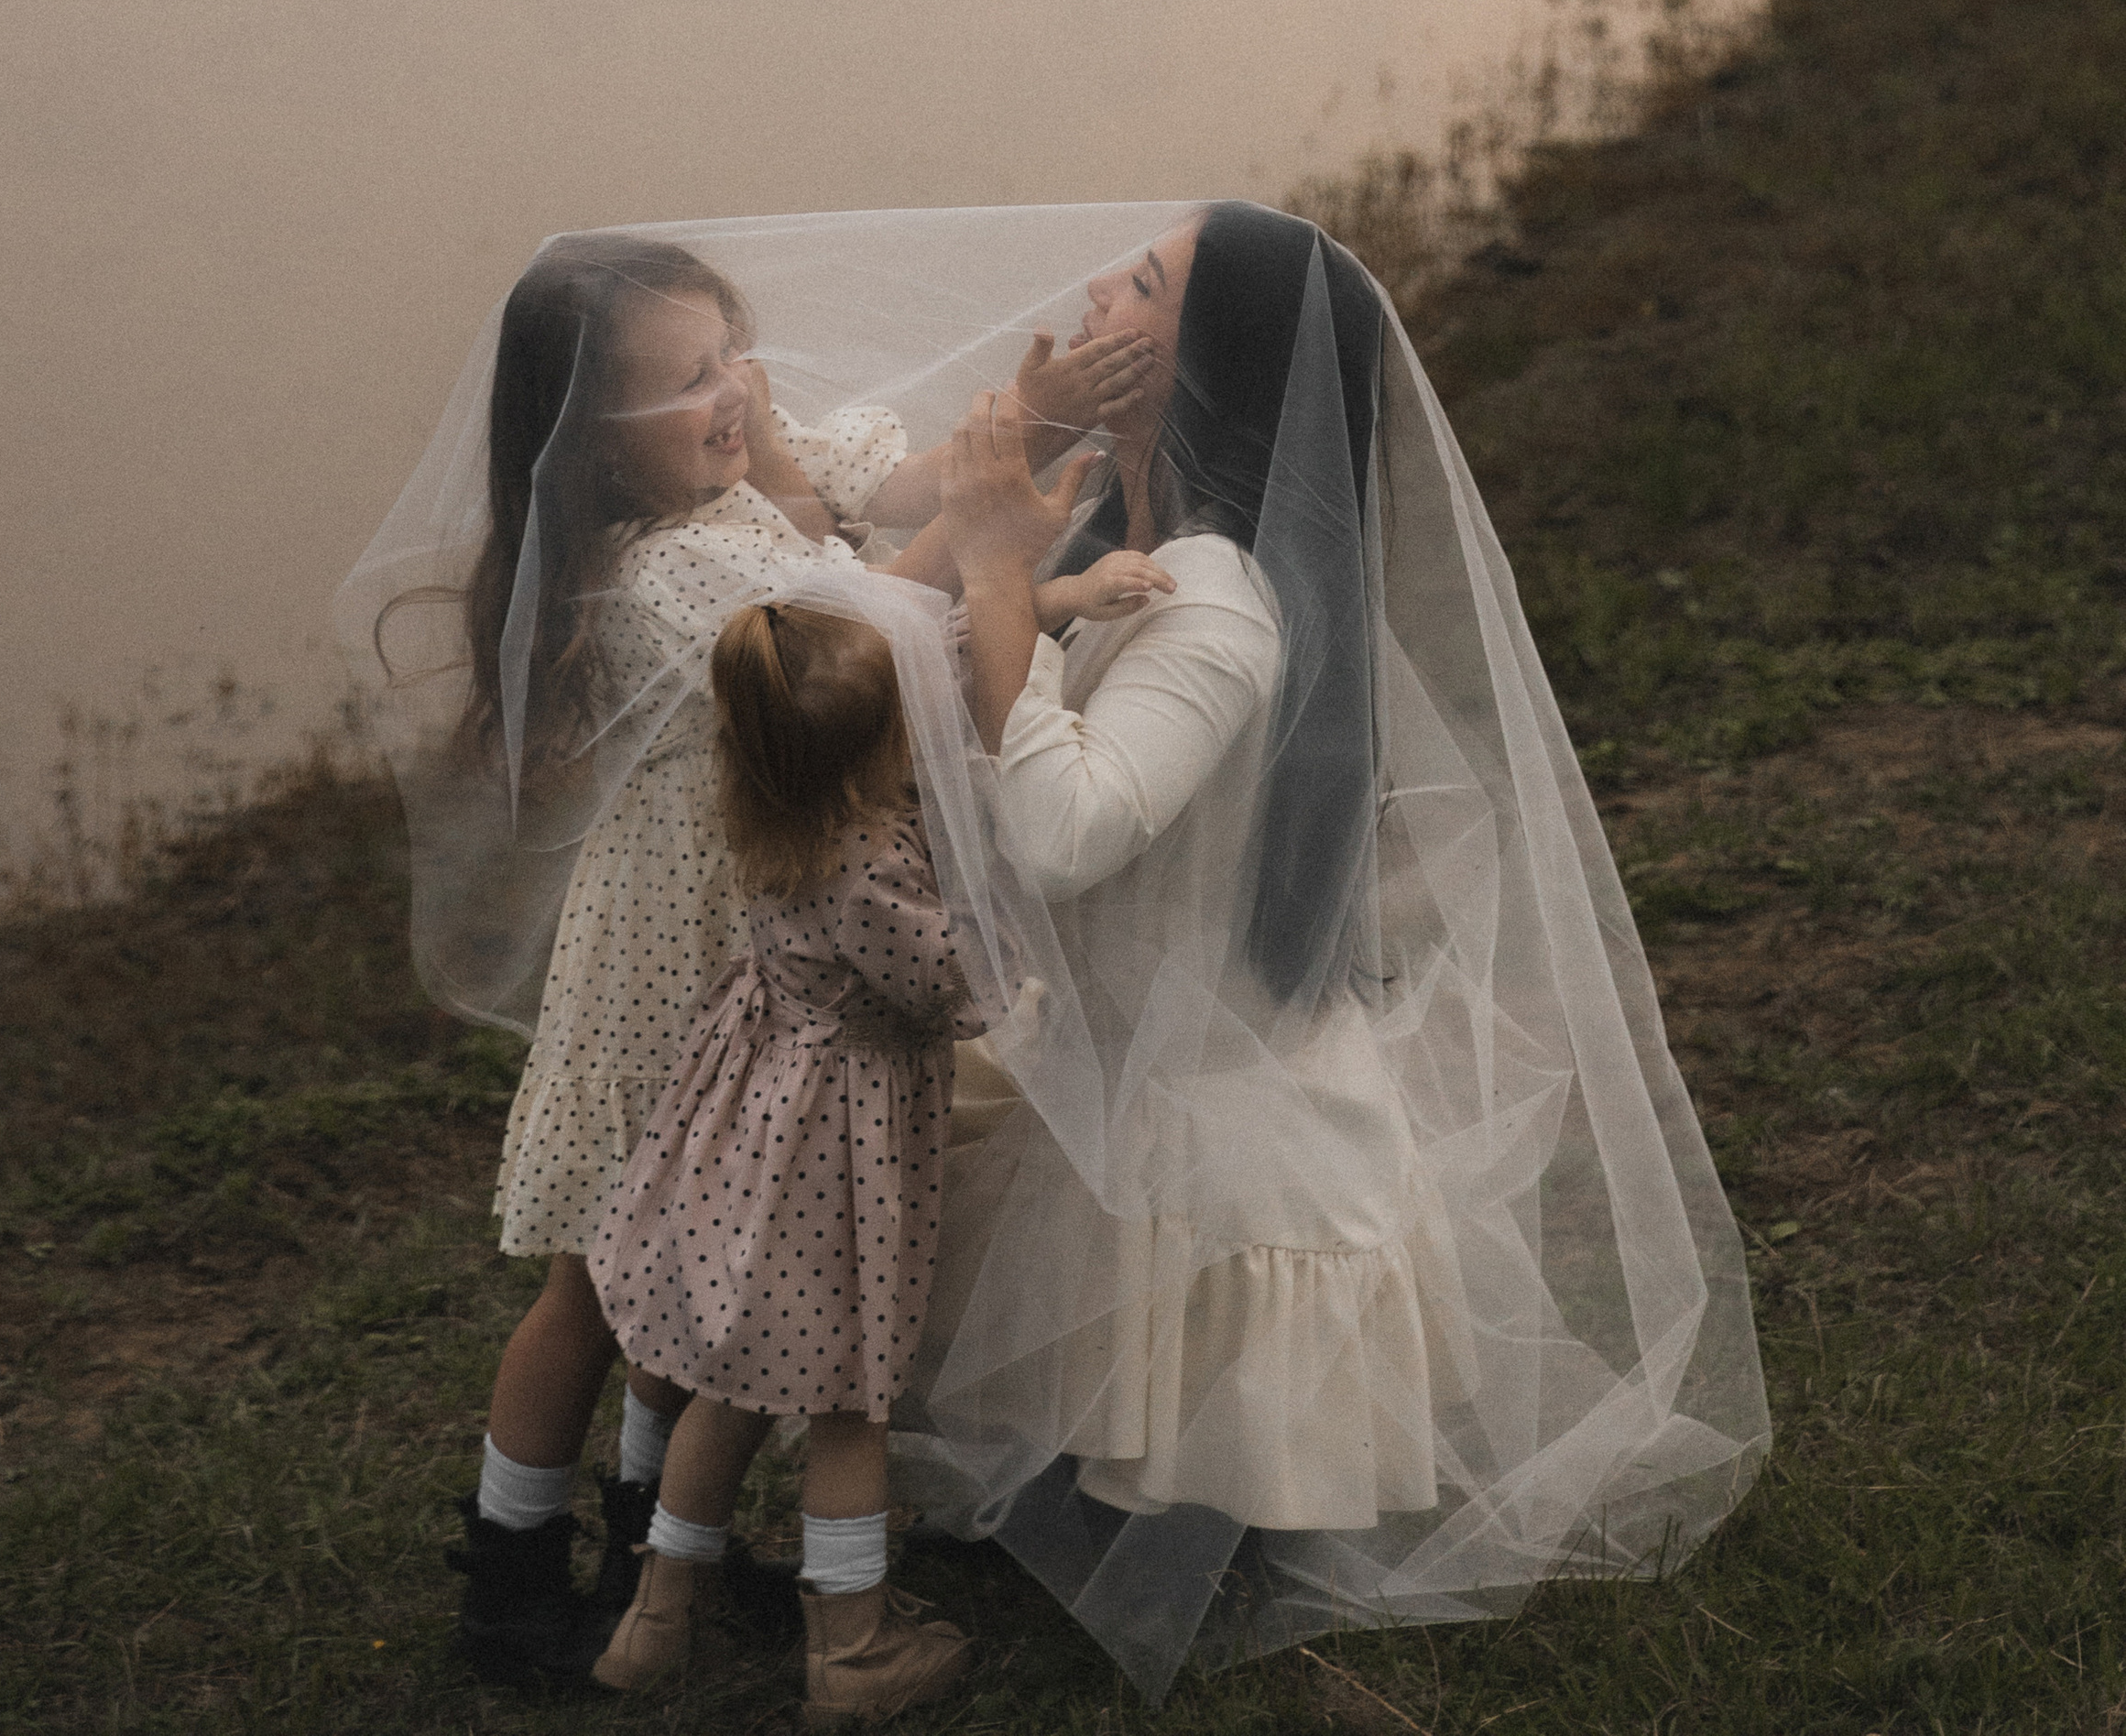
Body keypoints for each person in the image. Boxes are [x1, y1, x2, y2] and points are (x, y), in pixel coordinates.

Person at [899, 202, 1768, 1697]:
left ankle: (1219, 1545)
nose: (1097, 280)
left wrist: (993, 591)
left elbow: (1060, 835)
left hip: (1203, 1136)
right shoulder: (1128, 538)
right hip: (1120, 1053)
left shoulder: (1221, 598)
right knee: (1023, 1480)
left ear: (1206, 359)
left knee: (1155, 1524)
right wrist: (995, 525)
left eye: (1145, 279)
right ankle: (1142, 1516)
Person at [336, 225, 1150, 1691]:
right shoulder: (667, 573)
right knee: (600, 1276)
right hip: (674, 963)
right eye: (687, 383)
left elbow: (867, 512)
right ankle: (510, 1576)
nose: (732, 393)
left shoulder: (734, 497)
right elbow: (868, 639)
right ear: (590, 445)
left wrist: (1021, 428)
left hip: (758, 955)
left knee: (692, 1276)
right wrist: (986, 552)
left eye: (731, 357)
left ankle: (661, 1554)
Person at [583, 596, 983, 1716]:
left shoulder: (774, 804)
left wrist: (1019, 609)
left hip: (756, 1142)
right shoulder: (867, 866)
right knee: (850, 1399)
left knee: (729, 1385)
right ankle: (855, 1651)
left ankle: (656, 1621)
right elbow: (955, 990)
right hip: (834, 1157)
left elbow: (857, 696)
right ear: (871, 757)